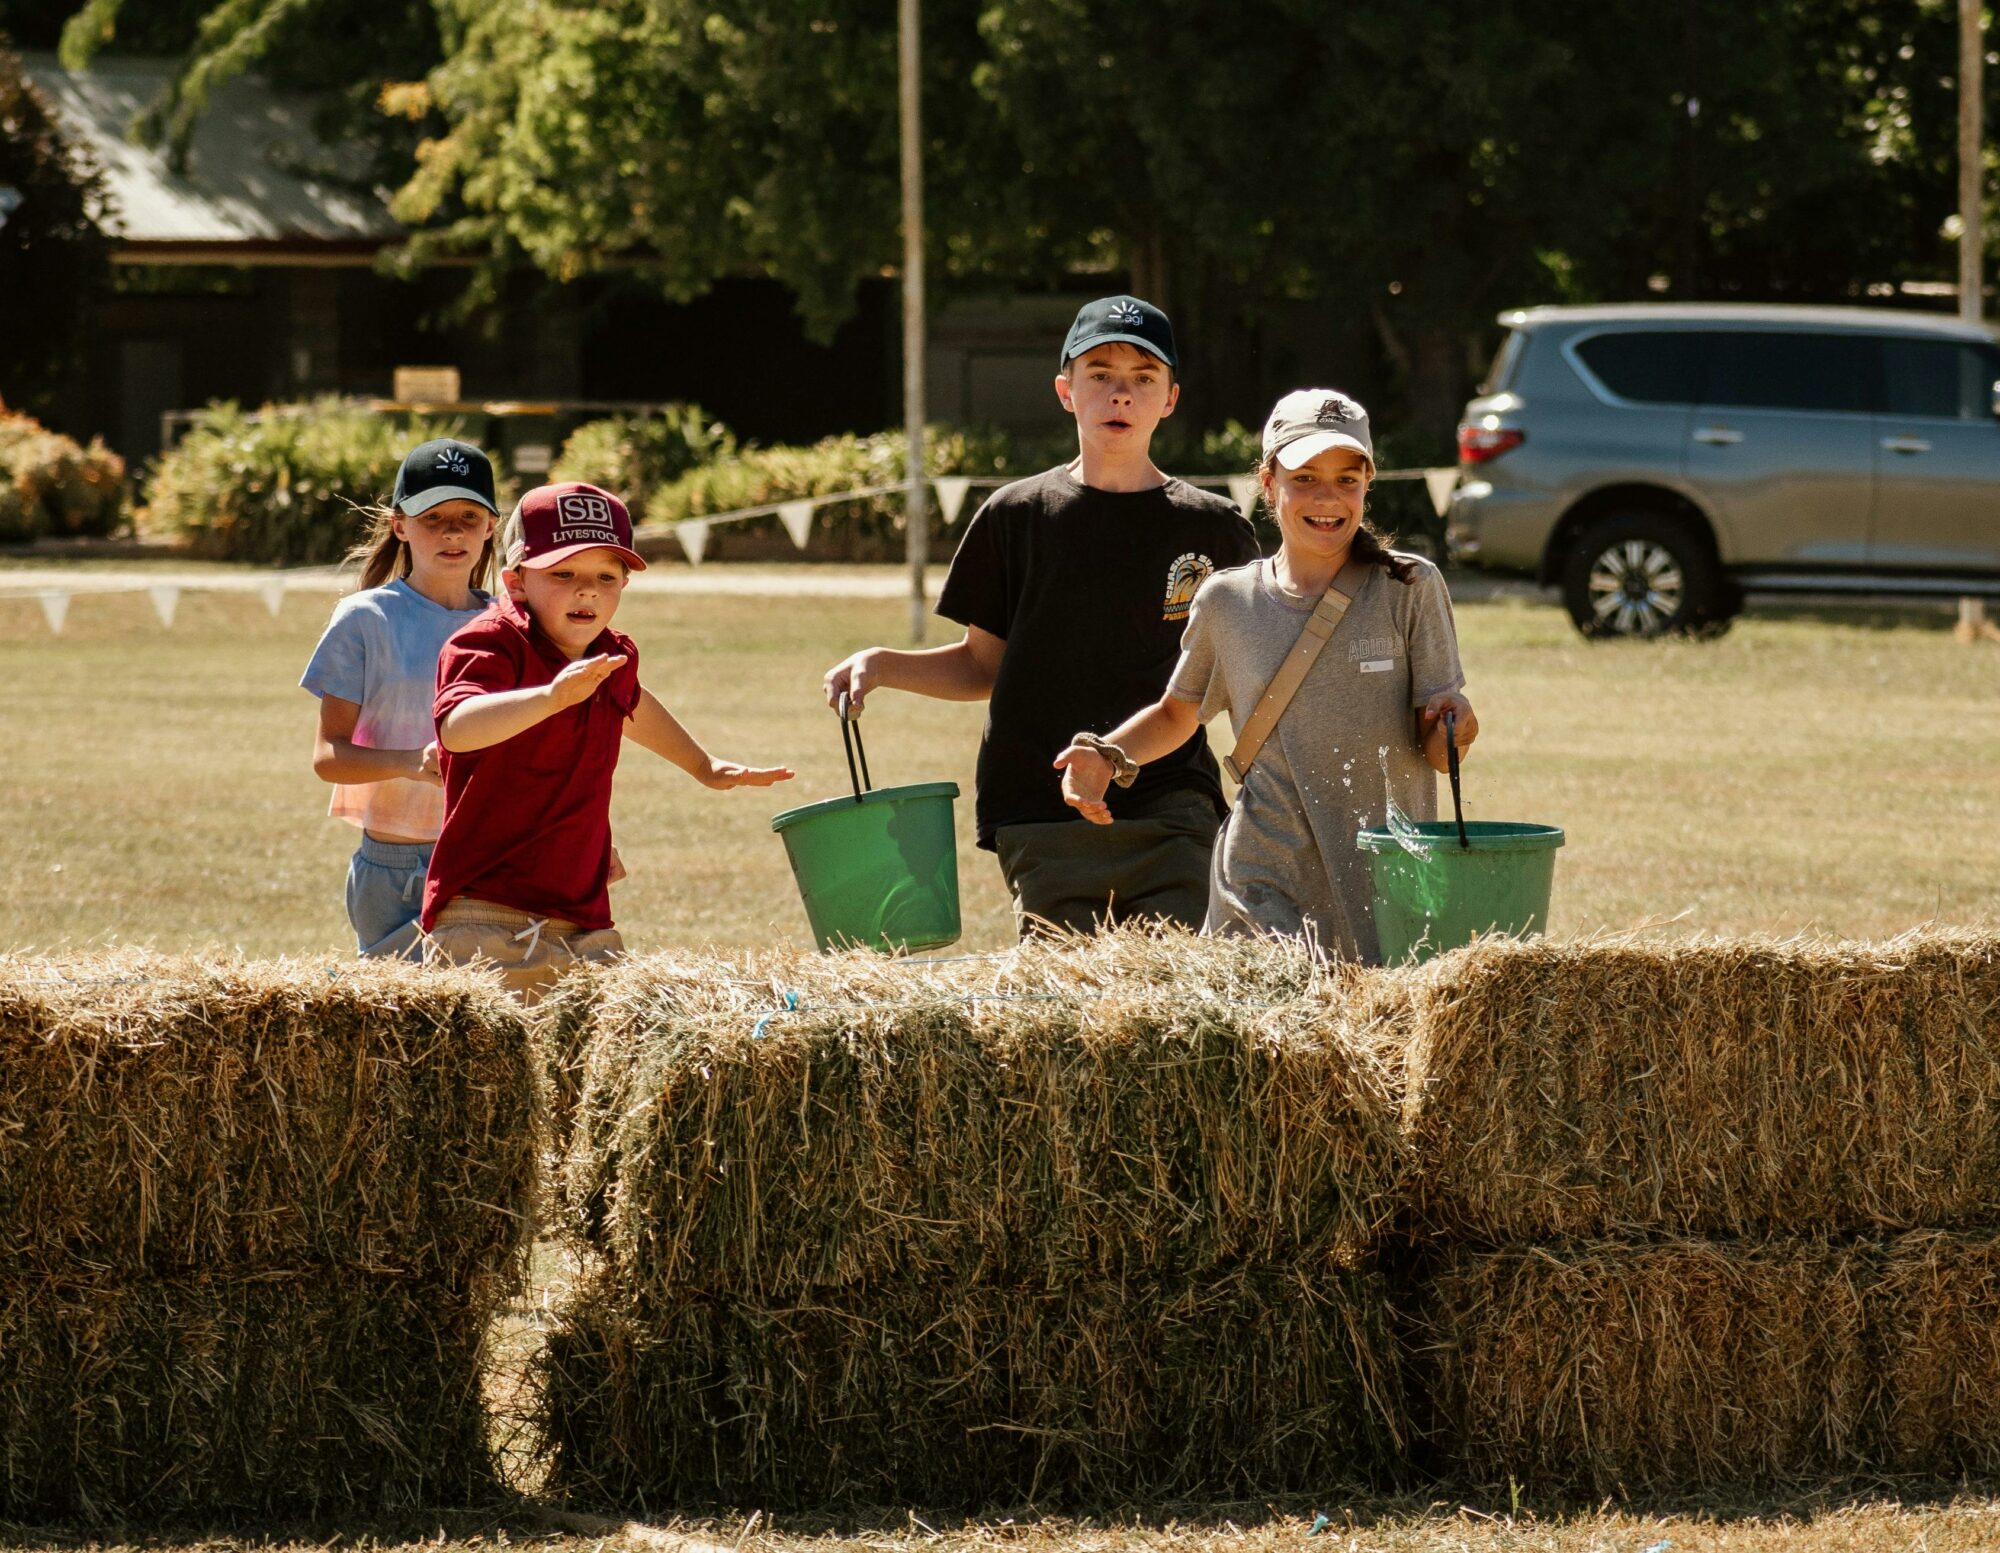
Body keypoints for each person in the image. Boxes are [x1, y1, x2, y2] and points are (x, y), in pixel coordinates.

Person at [822, 295, 1259, 935]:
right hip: (1039, 809)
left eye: (1143, 379)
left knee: (1180, 1005)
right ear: (1065, 390)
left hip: (1173, 810)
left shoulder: (1214, 529)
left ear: (1170, 398)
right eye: (1100, 375)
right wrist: (883, 664)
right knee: (1067, 1013)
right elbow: (983, 666)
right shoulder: (1015, 516)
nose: (1121, 395)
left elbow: (1230, 679)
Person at [1055, 389, 1478, 963]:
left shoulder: (1408, 587)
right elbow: (1178, 713)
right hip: (1261, 876)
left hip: (1384, 876)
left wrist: (1457, 729)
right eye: (1304, 478)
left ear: (1367, 486)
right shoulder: (1226, 601)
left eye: (1347, 480)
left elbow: (1436, 750)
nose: (1328, 498)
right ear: (1268, 483)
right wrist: (1105, 754)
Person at [420, 481, 792, 1000]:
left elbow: (632, 706)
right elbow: (458, 728)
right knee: (491, 1076)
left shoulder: (610, 653)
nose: (587, 590)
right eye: (563, 573)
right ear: (516, 582)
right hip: (487, 912)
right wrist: (550, 697)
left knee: (588, 1072)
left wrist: (704, 766)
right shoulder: (487, 642)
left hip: (584, 915)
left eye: (605, 576)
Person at [301, 437, 501, 958]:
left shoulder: (512, 626)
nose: (452, 531)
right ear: (399, 525)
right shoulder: (365, 619)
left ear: (492, 526)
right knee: (402, 1033)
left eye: (468, 515)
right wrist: (412, 762)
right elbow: (329, 758)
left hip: (496, 856)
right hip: (398, 867)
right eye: (431, 516)